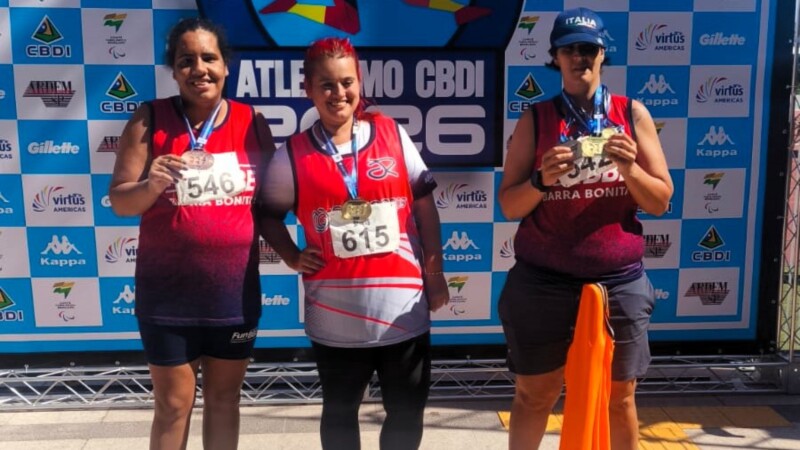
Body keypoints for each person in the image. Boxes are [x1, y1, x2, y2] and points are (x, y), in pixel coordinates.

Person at [255, 37, 450, 450]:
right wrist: (292, 255)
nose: (338, 93)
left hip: (402, 310)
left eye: (347, 82)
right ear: (308, 89)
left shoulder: (391, 133)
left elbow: (424, 205)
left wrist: (434, 274)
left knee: (406, 412)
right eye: (326, 84)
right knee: (340, 412)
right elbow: (267, 213)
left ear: (359, 83)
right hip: (335, 317)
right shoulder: (293, 154)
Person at [497, 7, 673, 450]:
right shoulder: (537, 118)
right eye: (569, 49)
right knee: (535, 395)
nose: (580, 57)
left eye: (589, 49)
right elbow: (509, 205)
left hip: (618, 281)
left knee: (619, 398)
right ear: (555, 57)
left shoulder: (630, 113)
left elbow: (660, 200)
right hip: (543, 282)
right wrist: (541, 180)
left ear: (603, 54)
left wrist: (630, 169)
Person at [108, 17, 275, 450]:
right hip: (168, 294)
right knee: (173, 405)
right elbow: (121, 201)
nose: (199, 69)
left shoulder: (252, 121)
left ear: (225, 66)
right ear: (174, 70)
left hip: (232, 295)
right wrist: (150, 185)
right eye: (186, 60)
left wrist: (293, 253)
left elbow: (272, 204)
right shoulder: (149, 117)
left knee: (224, 400)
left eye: (209, 58)